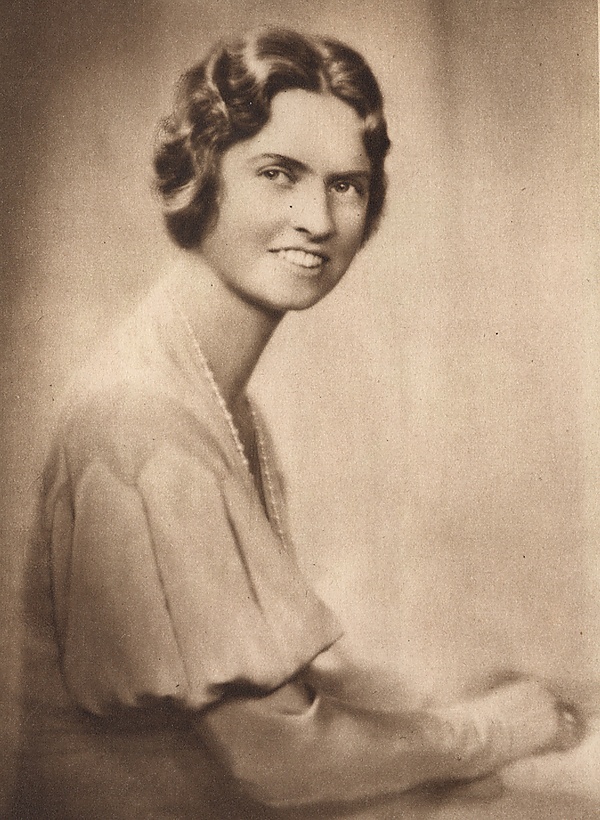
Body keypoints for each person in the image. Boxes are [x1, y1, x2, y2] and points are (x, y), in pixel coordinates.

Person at [14, 27, 586, 819]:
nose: (317, 218)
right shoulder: (142, 424)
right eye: (278, 174)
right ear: (205, 176)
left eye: (346, 185)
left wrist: (465, 702)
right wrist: (491, 730)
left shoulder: (215, 399)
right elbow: (281, 763)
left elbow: (281, 686)